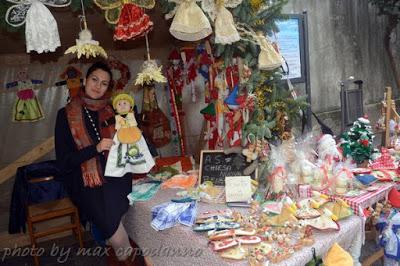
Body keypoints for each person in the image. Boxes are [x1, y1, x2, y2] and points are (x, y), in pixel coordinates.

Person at [55, 61, 146, 265]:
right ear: (85, 80)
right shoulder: (66, 115)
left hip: (118, 179)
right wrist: (95, 148)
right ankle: (130, 259)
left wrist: (133, 124)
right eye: (94, 80)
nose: (98, 86)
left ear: (108, 88)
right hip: (87, 184)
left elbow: (135, 139)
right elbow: (64, 161)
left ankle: (123, 259)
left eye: (104, 83)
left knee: (117, 225)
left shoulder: (116, 109)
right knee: (115, 231)